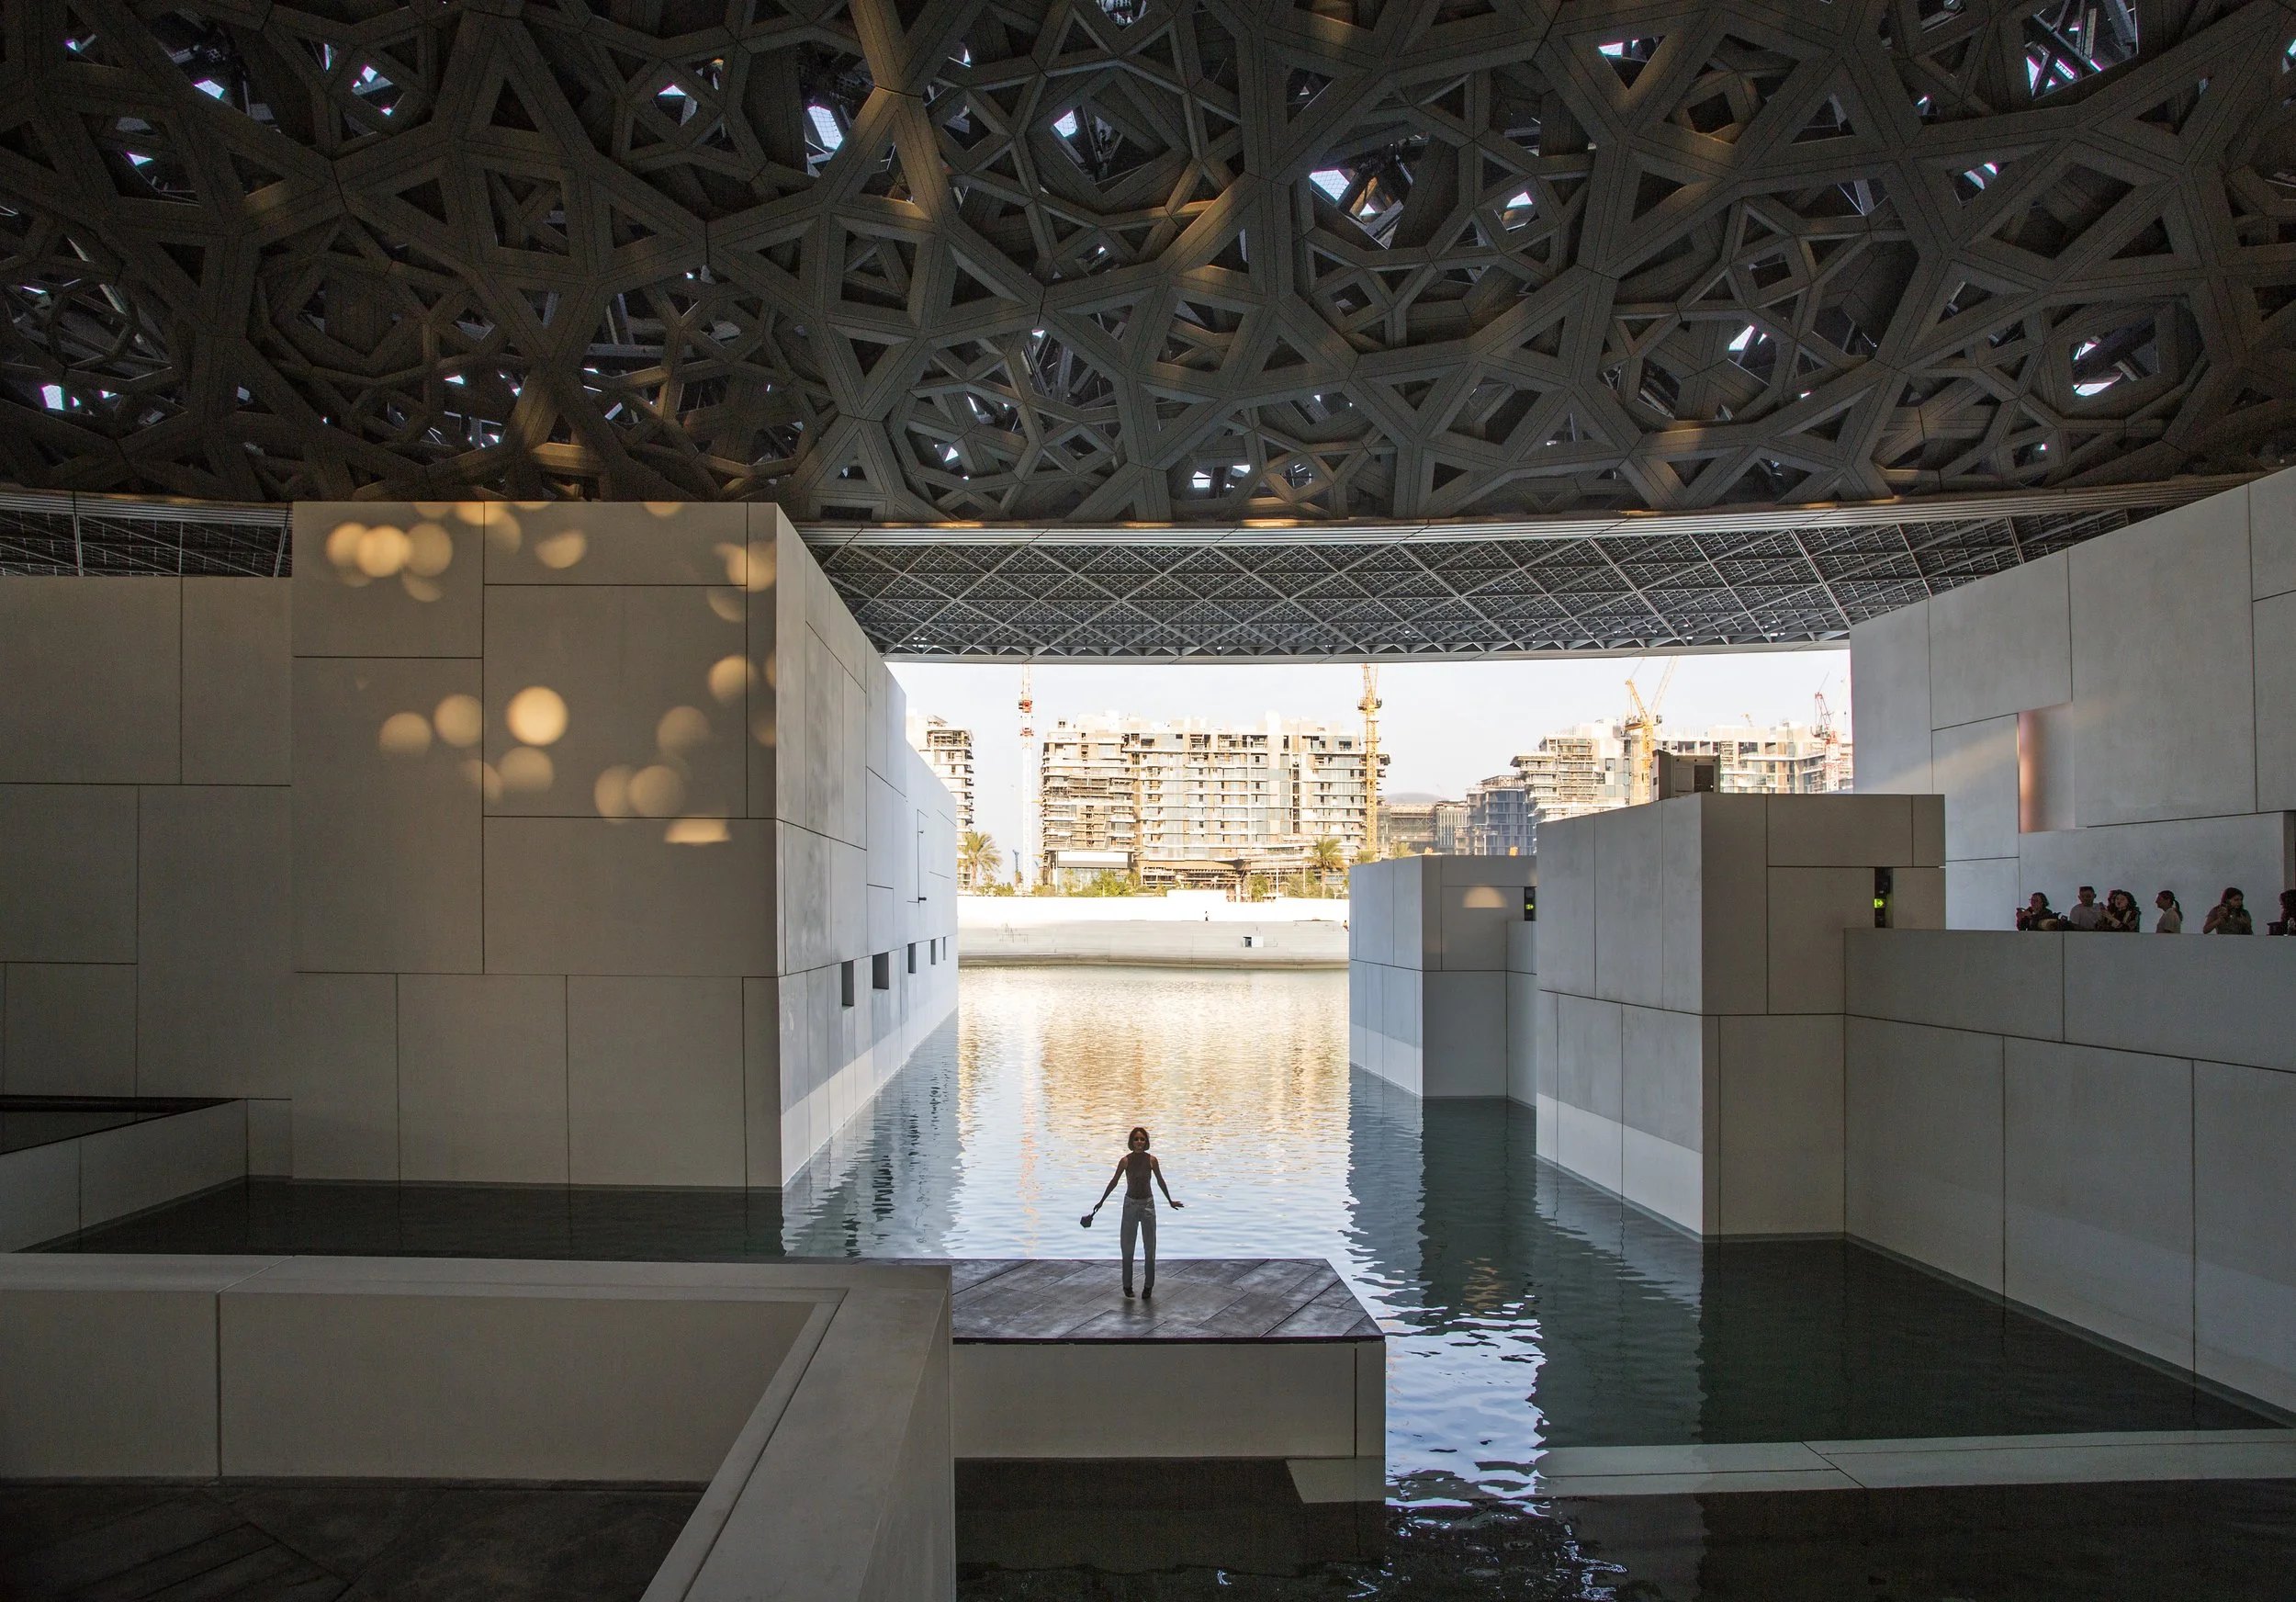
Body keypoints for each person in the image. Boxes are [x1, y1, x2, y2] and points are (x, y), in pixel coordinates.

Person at [1091, 1125, 1182, 1298]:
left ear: (1146, 1142)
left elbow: (1160, 1181)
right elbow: (1114, 1181)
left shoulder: (1152, 1160)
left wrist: (1170, 1200)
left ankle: (1148, 1286)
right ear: (1131, 1142)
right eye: (1136, 1139)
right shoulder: (1125, 1161)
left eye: (1142, 1139)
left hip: (1148, 1205)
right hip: (1130, 1205)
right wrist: (1101, 1201)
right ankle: (1127, 1286)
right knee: (1127, 1247)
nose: (1139, 1142)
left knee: (1150, 1248)